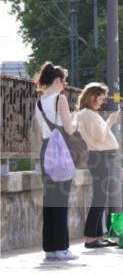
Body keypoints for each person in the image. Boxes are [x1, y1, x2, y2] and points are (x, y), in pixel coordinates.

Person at [34, 62, 79, 261]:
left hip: (46, 150)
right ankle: (62, 248)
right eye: (64, 82)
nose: (65, 86)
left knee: (50, 200)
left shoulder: (39, 102)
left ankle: (50, 248)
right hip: (60, 151)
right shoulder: (60, 99)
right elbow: (69, 129)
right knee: (61, 201)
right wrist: (75, 118)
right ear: (58, 80)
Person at [75, 82, 120, 248]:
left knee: (101, 196)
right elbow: (100, 136)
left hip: (98, 157)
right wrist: (110, 121)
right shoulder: (87, 114)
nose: (102, 102)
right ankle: (90, 238)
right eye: (101, 98)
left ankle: (97, 235)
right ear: (92, 97)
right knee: (99, 197)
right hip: (97, 157)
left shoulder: (88, 113)